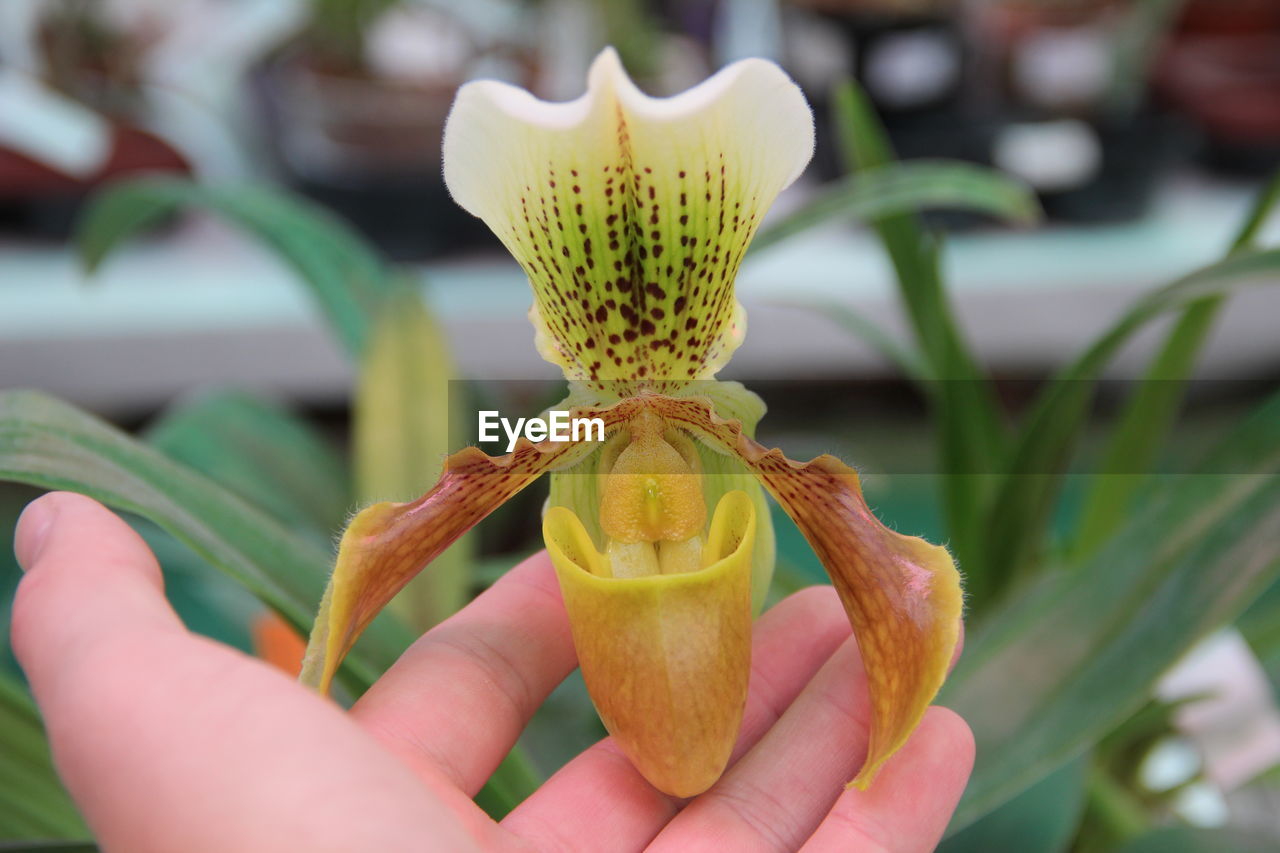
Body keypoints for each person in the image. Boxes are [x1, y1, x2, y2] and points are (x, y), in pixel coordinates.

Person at [11, 491, 974, 851]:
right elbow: (467, 474)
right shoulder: (552, 432)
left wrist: (894, 707)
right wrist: (312, 687)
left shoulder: (739, 431)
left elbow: (898, 575)